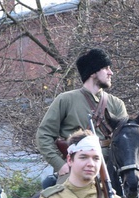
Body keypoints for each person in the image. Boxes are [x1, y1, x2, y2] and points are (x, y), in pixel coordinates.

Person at [35, 48, 127, 181]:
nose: (111, 72)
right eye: (106, 68)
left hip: (110, 169)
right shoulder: (65, 100)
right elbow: (44, 135)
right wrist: (60, 165)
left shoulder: (117, 104)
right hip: (74, 170)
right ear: (93, 73)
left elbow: (126, 141)